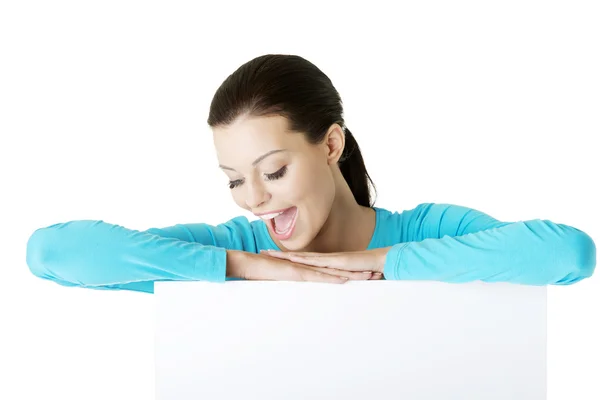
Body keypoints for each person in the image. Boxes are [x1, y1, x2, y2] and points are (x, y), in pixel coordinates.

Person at [25, 54, 596, 294]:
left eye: (272, 171)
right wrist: (247, 268)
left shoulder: (431, 232)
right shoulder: (233, 253)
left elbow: (569, 256)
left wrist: (371, 264)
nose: (252, 200)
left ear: (330, 143)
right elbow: (50, 255)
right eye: (233, 179)